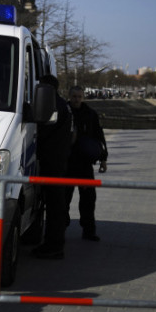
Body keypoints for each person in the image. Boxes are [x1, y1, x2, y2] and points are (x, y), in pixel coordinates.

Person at [32, 75, 74, 259]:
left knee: (55, 204)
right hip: (60, 158)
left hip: (53, 161)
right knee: (56, 203)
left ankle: (54, 245)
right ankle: (53, 242)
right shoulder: (64, 104)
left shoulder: (53, 105)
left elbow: (44, 130)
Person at [65, 85, 108, 241]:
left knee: (88, 200)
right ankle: (61, 227)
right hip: (68, 163)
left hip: (84, 164)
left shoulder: (90, 114)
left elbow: (99, 136)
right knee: (64, 199)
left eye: (79, 97)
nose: (77, 99)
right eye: (74, 96)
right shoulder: (64, 112)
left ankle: (89, 230)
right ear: (69, 96)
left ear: (83, 97)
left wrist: (103, 158)